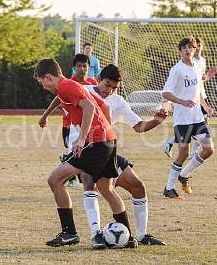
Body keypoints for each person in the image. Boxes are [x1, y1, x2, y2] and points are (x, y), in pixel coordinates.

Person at [41, 64, 167, 246]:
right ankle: (105, 236)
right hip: (94, 144)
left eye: (114, 88)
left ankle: (125, 236)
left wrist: (156, 121)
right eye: (107, 85)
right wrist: (45, 115)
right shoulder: (83, 88)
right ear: (98, 79)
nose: (110, 90)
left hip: (96, 144)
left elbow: (138, 126)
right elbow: (62, 98)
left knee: (133, 187)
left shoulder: (118, 101)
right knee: (95, 186)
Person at [34, 58, 133, 249]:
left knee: (55, 180)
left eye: (42, 82)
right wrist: (45, 115)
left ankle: (69, 233)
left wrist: (81, 138)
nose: (43, 87)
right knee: (106, 189)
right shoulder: (66, 87)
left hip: (95, 143)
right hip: (107, 140)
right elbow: (99, 106)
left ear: (48, 76)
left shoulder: (67, 86)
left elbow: (88, 107)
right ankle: (128, 237)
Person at [162, 37, 215, 199]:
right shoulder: (176, 70)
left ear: (194, 49)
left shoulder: (198, 66)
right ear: (180, 50)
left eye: (190, 47)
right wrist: (182, 101)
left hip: (197, 117)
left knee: (208, 149)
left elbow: (198, 89)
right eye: (184, 47)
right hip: (182, 119)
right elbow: (166, 92)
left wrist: (205, 106)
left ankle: (184, 174)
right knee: (183, 154)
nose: (187, 50)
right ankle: (169, 187)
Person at [39, 54, 98, 188]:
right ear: (73, 68)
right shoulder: (68, 84)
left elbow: (92, 106)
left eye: (85, 66)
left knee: (84, 172)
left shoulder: (90, 83)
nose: (82, 69)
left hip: (93, 131)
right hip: (71, 125)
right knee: (84, 172)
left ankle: (68, 165)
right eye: (79, 66)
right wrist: (45, 115)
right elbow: (59, 100)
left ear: (89, 68)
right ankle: (70, 171)